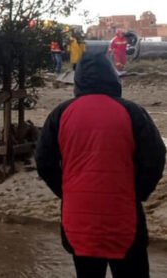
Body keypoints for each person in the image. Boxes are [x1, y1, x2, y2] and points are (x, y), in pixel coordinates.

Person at [35, 52, 165, 278]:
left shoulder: (61, 113)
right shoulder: (132, 111)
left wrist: (66, 191)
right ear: (112, 77)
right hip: (125, 217)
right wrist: (138, 193)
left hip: (78, 219)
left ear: (78, 79)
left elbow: (44, 162)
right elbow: (154, 158)